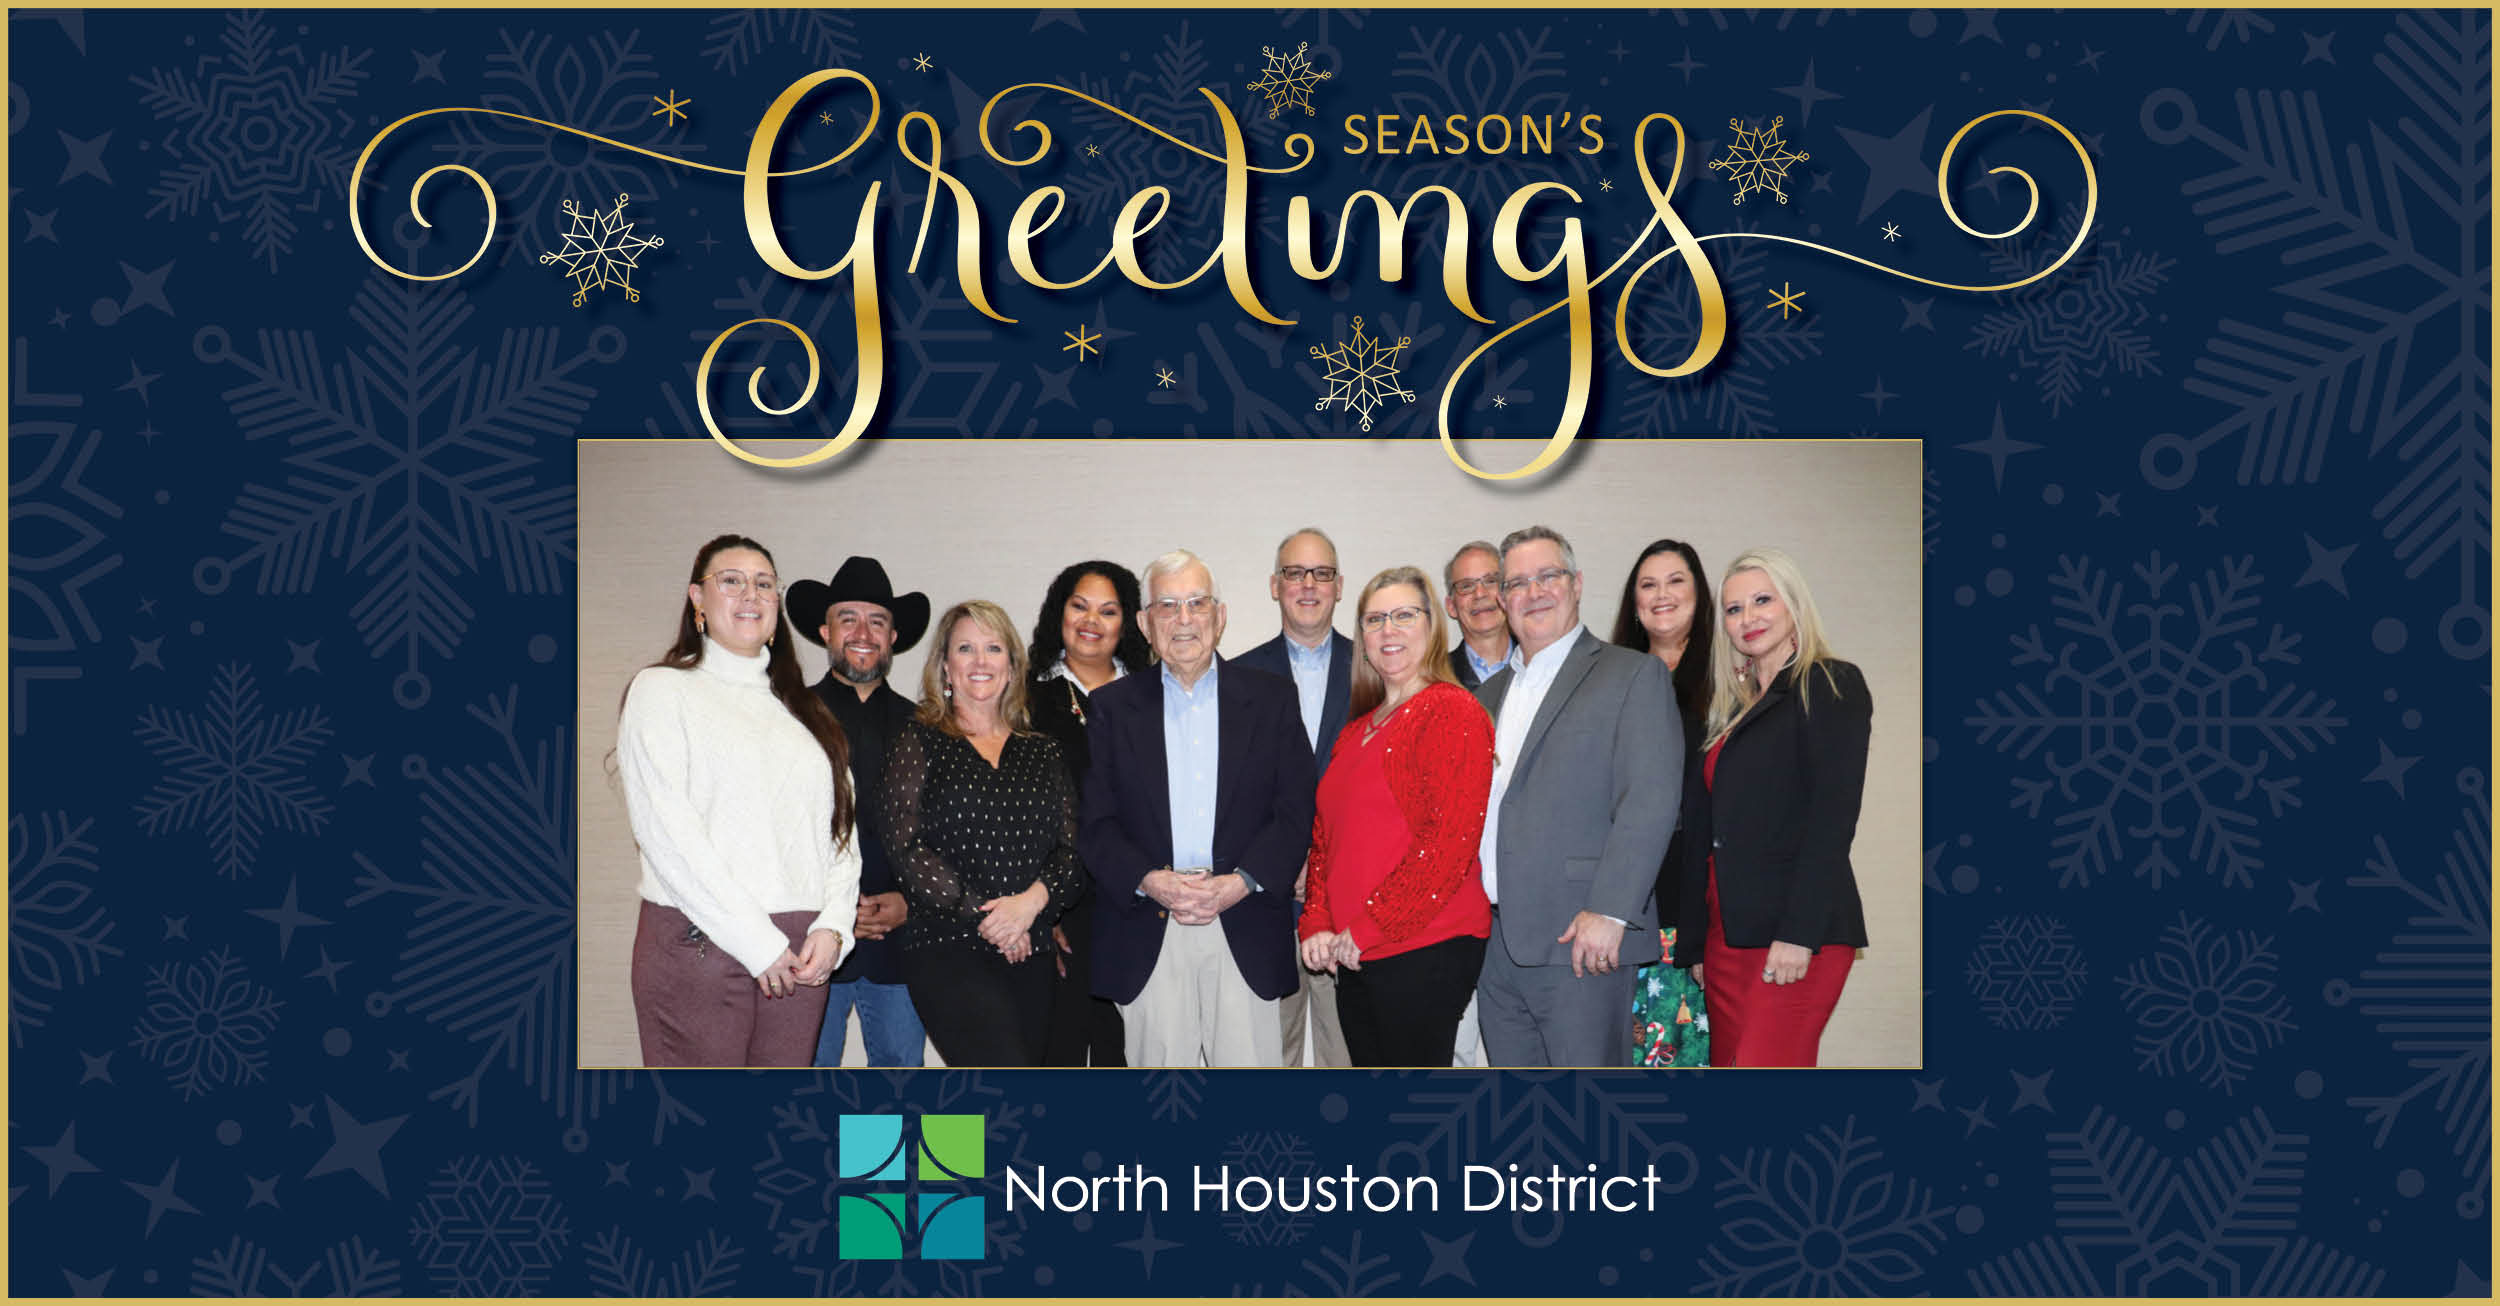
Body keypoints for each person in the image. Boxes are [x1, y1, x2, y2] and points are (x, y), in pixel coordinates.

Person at [616, 534, 859, 1068]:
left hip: (799, 951)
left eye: (765, 583)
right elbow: (667, 832)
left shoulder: (807, 713)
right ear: (697, 599)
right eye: (731, 580)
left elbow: (840, 834)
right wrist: (757, 942)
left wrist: (834, 926)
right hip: (700, 938)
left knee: (778, 1138)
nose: (751, 593)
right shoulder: (661, 690)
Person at [1079, 549, 1316, 1068]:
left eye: (1196, 603)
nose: (1183, 620)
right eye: (1167, 606)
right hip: (1150, 926)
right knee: (1163, 1114)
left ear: (1220, 615)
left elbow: (1295, 810)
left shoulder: (1272, 698)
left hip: (1244, 918)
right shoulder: (1111, 709)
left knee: (1251, 1116)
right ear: (1145, 623)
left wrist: (1242, 881)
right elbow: (1095, 825)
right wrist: (1150, 879)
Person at [1471, 526, 1679, 1067]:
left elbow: (1650, 799)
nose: (1533, 591)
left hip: (1582, 939)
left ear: (1577, 584)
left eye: (1548, 576)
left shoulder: (1632, 674)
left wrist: (1610, 911)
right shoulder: (1485, 697)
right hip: (1495, 945)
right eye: (1517, 582)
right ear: (1501, 599)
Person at [1681, 547, 1872, 1068]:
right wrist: (1697, 942)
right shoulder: (1728, 709)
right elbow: (1707, 832)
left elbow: (1833, 820)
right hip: (1727, 938)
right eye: (1734, 608)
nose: (1748, 618)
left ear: (1793, 606)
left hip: (1795, 934)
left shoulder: (1829, 684)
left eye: (1762, 600)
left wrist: (1798, 933)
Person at [1299, 567, 1494, 1067]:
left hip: (1423, 946)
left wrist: (1364, 929)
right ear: (1361, 638)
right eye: (1374, 619)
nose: (1388, 630)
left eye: (1404, 615)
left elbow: (1447, 846)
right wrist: (1316, 922)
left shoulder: (1453, 711)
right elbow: (1325, 841)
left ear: (1432, 627)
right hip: (1356, 952)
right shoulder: (1356, 730)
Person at [881, 600, 1084, 1067]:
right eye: (965, 648)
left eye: (993, 648)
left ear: (1012, 667)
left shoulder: (1044, 753)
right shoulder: (918, 741)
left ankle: (957, 1145)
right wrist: (993, 920)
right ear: (945, 667)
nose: (980, 661)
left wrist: (1028, 907)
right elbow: (907, 850)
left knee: (1016, 1105)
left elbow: (1071, 855)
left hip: (1031, 948)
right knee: (997, 1081)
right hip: (948, 948)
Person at [788, 557, 932, 1069]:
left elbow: (942, 835)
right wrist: (833, 911)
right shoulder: (789, 716)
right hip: (810, 940)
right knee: (807, 1082)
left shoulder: (927, 726)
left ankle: (889, 1157)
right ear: (825, 631)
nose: (863, 632)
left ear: (893, 637)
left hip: (900, 941)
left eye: (877, 620)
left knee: (900, 1082)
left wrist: (911, 903)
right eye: (848, 618)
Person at [1027, 561, 1155, 1067]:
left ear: (1128, 623)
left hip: (1140, 901)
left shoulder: (1154, 694)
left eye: (1108, 610)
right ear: (1059, 612)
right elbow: (1022, 813)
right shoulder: (1027, 698)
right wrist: (1047, 908)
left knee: (1128, 1055)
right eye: (1080, 605)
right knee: (1058, 1055)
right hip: (1060, 904)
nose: (1091, 621)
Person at [1235, 528, 1353, 1069]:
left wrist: (1325, 866)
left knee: (1346, 1060)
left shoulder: (1378, 669)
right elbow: (1228, 796)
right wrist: (1284, 862)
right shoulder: (1235, 677)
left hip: (1351, 904)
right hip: (1265, 904)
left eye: (1321, 573)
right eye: (1294, 573)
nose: (1308, 585)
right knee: (1267, 1060)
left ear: (1339, 585)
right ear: (1274, 585)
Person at [1609, 539, 1715, 1068]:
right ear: (1633, 603)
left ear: (1700, 595)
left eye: (1676, 581)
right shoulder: (1610, 681)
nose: (1661, 595)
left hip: (1695, 910)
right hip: (1620, 908)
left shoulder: (1731, 682)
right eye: (1648, 585)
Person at [1442, 540, 1515, 691]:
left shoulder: (1540, 663)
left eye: (1491, 581)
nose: (1480, 594)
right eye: (1467, 586)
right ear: (1451, 606)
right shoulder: (1435, 678)